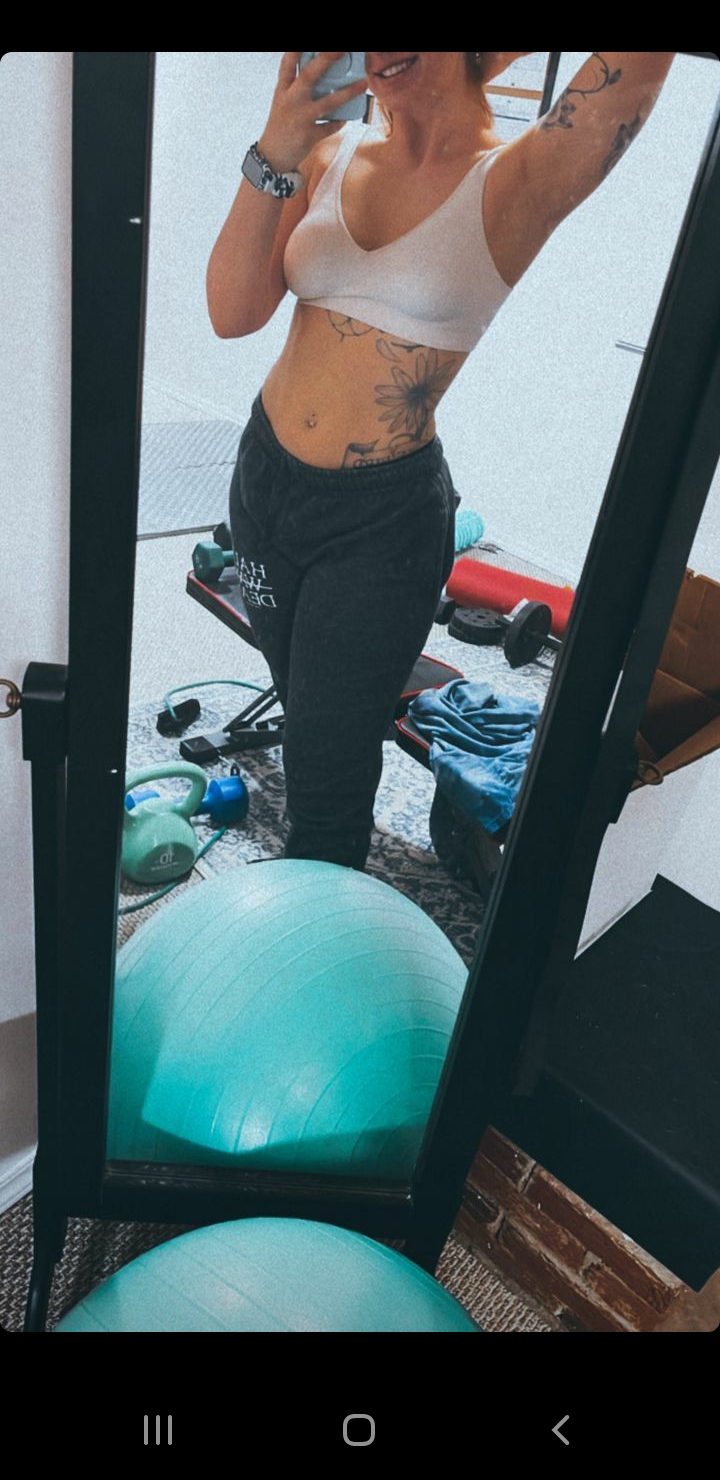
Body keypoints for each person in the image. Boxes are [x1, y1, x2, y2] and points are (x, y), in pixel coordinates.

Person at [207, 50, 675, 871]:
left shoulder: (520, 176)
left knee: (329, 772)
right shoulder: (327, 151)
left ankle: (321, 921)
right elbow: (232, 312)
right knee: (304, 705)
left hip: (379, 524)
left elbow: (636, 67)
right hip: (265, 484)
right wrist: (273, 150)